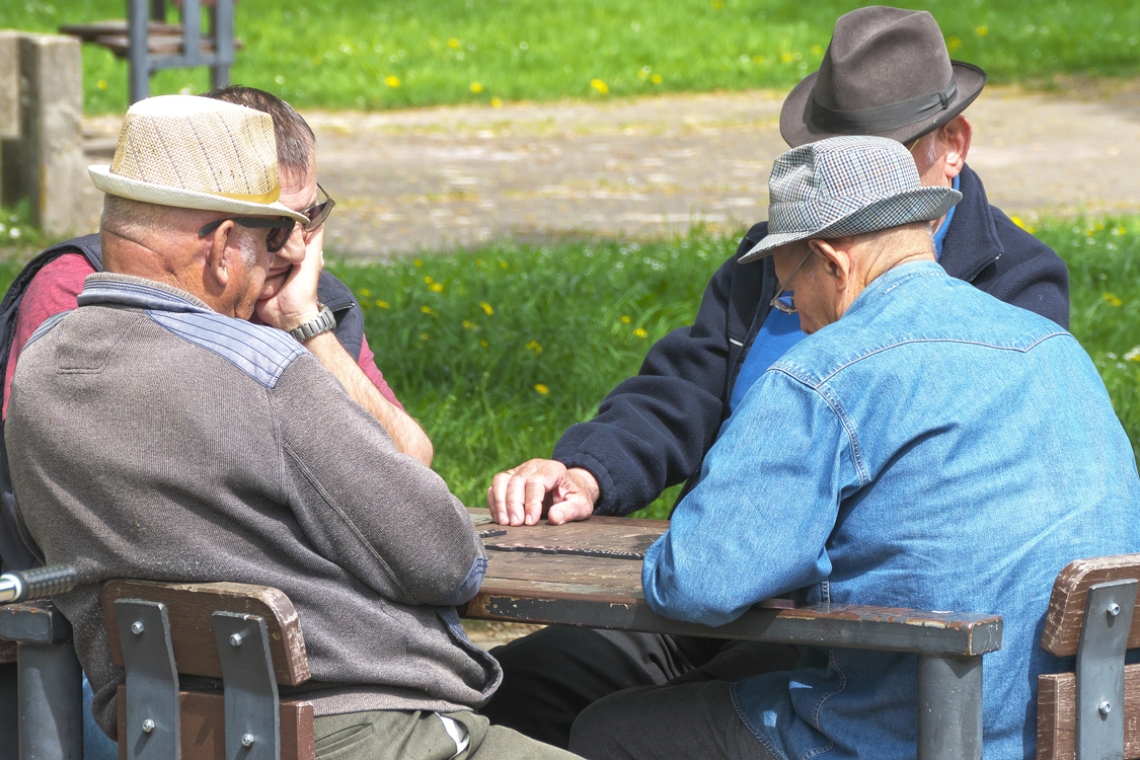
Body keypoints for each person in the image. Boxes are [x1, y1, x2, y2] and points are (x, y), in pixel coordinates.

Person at [482, 7, 1073, 746]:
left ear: (953, 145)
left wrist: (742, 548)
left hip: (863, 630)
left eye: (877, 156)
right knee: (516, 688)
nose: (847, 180)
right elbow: (687, 386)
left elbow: (965, 519)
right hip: (744, 589)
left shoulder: (1001, 292)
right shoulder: (781, 258)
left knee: (626, 730)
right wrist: (588, 468)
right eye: (829, 154)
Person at [4, 94, 577, 760]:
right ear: (221, 247)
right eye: (274, 236)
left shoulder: (38, 369)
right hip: (363, 730)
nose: (293, 251)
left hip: (166, 735)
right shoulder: (263, 368)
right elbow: (445, 557)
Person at [568, 134, 1140, 760]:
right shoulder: (1055, 350)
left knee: (609, 728)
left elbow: (699, 581)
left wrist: (793, 553)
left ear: (833, 263)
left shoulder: (825, 374)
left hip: (898, 734)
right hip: (1078, 732)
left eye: (788, 292)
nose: (795, 313)